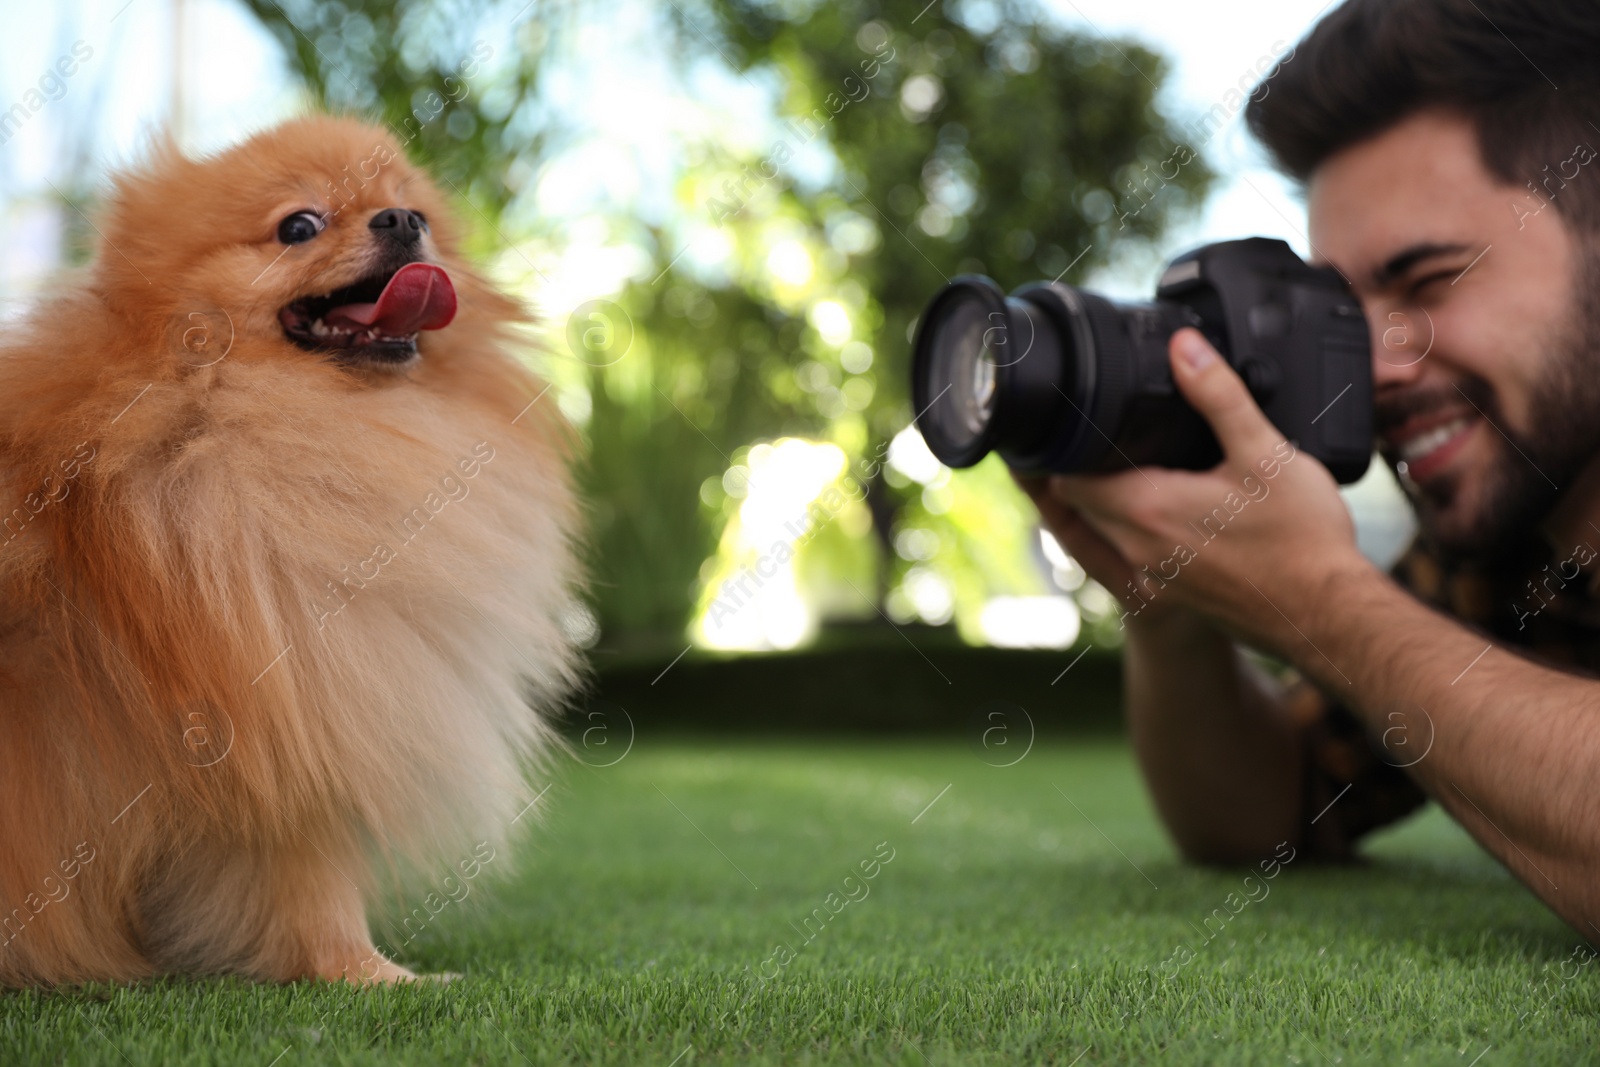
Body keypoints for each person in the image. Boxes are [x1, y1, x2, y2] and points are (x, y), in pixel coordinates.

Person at [1021, 0, 1600, 935]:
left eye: (1429, 281)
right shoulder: (1509, 556)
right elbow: (1268, 812)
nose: (1369, 368)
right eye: (1342, 310)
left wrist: (1320, 601)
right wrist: (1170, 605)